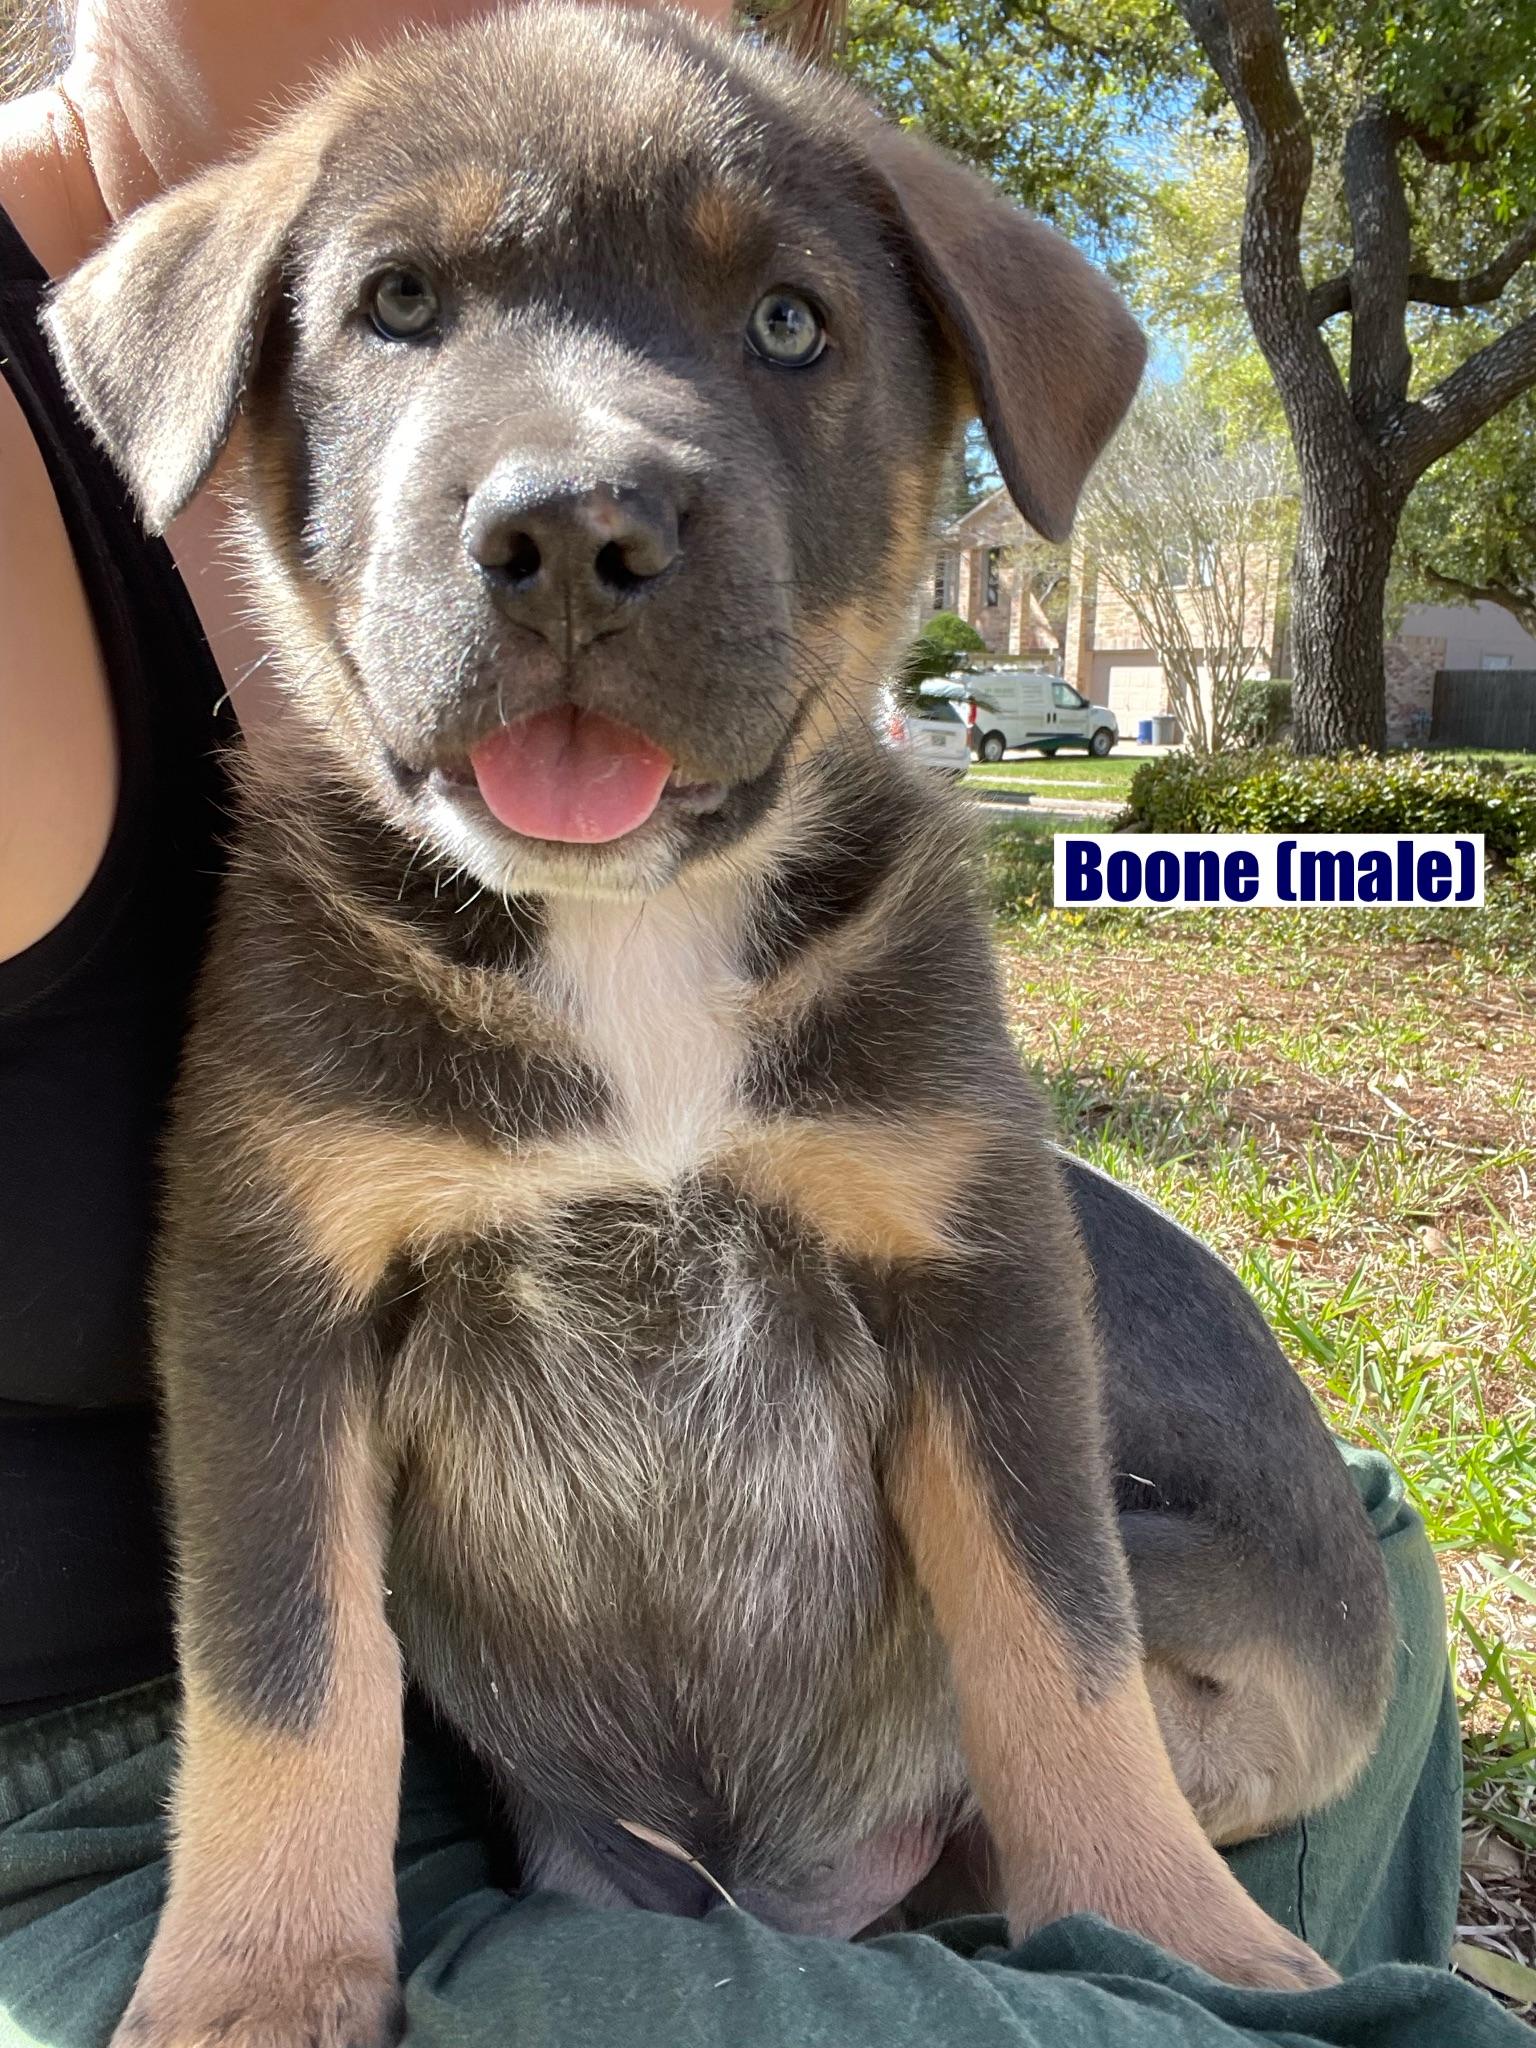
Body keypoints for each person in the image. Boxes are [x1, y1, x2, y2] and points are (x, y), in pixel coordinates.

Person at [0, 4, 1520, 2044]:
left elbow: (973, 1322)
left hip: (887, 1735)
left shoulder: (870, 920)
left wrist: (1105, 1837)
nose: (580, 494)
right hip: (303, 1811)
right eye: (403, 303)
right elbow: (279, 1355)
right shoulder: (308, 924)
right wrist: (277, 1902)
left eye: (788, 327)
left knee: (1367, 1596)